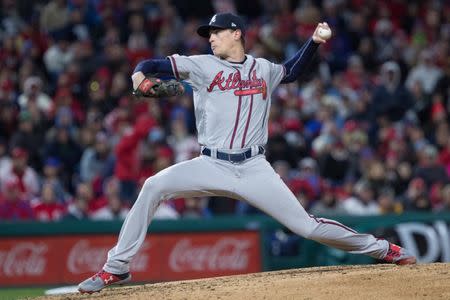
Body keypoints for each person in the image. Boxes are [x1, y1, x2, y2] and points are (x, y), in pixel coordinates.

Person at [78, 13, 416, 293]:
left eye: (217, 32)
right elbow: (150, 64)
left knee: (308, 227)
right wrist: (138, 76)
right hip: (211, 163)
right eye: (209, 33)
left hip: (254, 167)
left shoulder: (263, 68)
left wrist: (314, 42)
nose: (211, 38)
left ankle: (384, 249)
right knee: (153, 186)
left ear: (236, 33)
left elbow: (293, 70)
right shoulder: (201, 66)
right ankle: (117, 268)